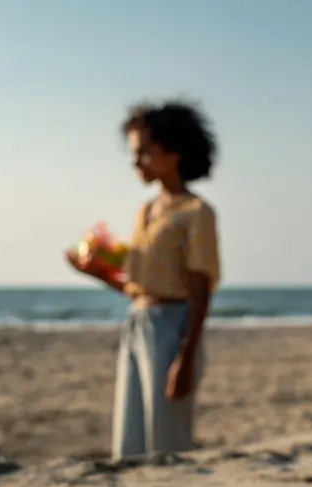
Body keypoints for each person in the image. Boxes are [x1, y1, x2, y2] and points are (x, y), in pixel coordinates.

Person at [66, 100, 220, 461]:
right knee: (130, 437)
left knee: (168, 439)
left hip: (174, 326)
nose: (136, 162)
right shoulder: (146, 211)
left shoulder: (196, 212)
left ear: (173, 152)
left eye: (143, 153)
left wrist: (185, 357)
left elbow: (200, 290)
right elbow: (140, 287)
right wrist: (95, 273)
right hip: (138, 322)